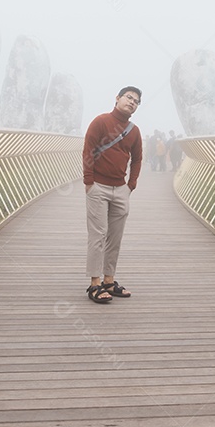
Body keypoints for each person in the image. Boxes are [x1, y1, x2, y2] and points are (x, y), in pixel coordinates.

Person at [83, 86, 143, 304]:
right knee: (98, 236)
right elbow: (88, 150)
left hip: (121, 190)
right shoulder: (100, 122)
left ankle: (109, 281)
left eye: (136, 101)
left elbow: (137, 159)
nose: (132, 102)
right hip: (98, 186)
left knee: (115, 238)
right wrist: (88, 181)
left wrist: (131, 185)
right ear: (117, 98)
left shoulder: (134, 131)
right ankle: (94, 284)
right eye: (129, 98)